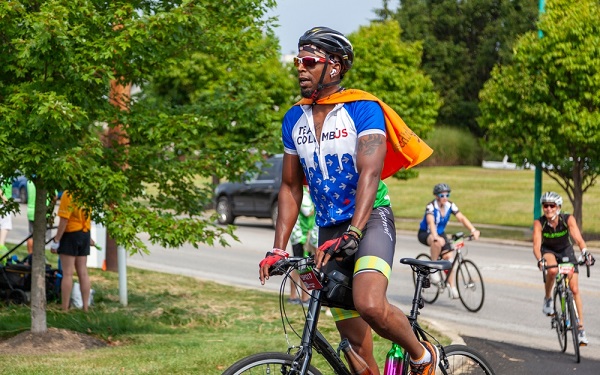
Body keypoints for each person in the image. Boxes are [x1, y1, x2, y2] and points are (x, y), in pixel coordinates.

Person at [259, 27, 437, 375]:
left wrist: (354, 232)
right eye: (298, 60)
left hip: (369, 222)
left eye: (309, 61)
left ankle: (421, 355)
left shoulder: (363, 109)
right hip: (329, 228)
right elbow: (291, 187)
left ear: (335, 67)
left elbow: (370, 174)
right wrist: (279, 248)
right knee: (354, 349)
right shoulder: (294, 118)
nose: (300, 68)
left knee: (369, 303)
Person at [533, 191, 594, 346]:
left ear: (558, 207)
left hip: (566, 251)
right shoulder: (540, 223)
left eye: (551, 205)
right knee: (552, 271)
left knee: (574, 290)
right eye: (545, 205)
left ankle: (580, 329)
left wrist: (585, 251)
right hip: (548, 251)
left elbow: (578, 238)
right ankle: (548, 299)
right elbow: (536, 245)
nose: (548, 209)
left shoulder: (567, 219)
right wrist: (540, 260)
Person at [417, 183, 480, 298]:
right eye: (442, 195)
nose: (445, 197)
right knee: (436, 242)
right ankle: (434, 268)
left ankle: (452, 287)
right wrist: (435, 236)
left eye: (447, 195)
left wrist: (473, 230)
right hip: (426, 232)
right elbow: (431, 222)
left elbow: (461, 217)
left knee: (448, 259)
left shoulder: (450, 205)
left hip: (441, 233)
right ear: (437, 196)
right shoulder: (431, 206)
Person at [50, 191, 94, 312]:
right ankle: (85, 308)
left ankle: (64, 308)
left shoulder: (68, 194)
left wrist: (57, 239)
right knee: (83, 272)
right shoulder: (86, 192)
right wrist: (88, 237)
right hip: (84, 233)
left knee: (68, 273)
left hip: (71, 234)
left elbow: (64, 219)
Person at [288, 185, 315, 306]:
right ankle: (303, 298)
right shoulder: (302, 192)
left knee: (299, 265)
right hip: (301, 236)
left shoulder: (305, 191)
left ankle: (296, 297)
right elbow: (308, 211)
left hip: (304, 235)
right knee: (303, 265)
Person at [0, 181, 13, 255]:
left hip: (4, 203)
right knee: (5, 226)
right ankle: (1, 249)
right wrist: (4, 198)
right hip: (3, 204)